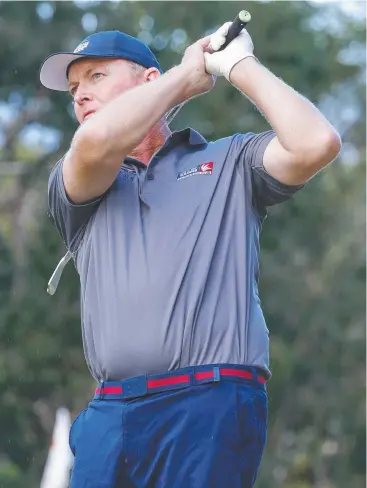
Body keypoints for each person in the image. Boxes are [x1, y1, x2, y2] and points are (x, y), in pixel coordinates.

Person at [40, 20, 341, 488]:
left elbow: (315, 143)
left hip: (210, 403)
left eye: (96, 77)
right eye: (74, 87)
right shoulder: (79, 179)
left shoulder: (230, 162)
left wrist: (238, 64)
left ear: (148, 81)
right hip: (111, 413)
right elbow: (97, 143)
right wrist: (188, 73)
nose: (79, 94)